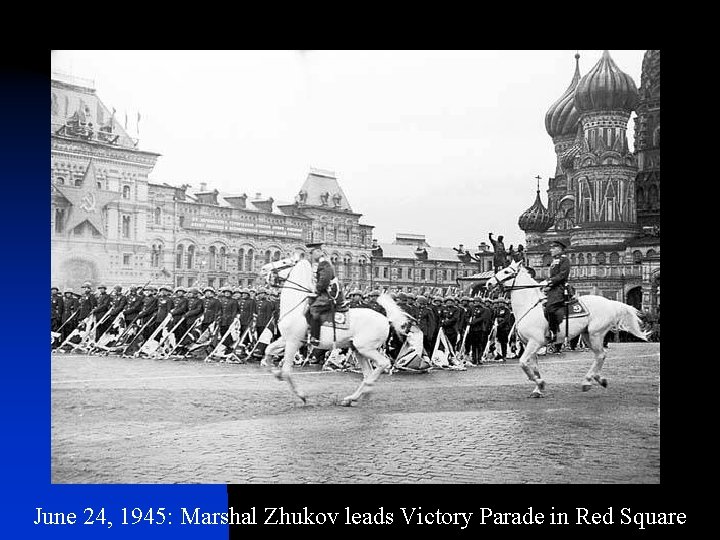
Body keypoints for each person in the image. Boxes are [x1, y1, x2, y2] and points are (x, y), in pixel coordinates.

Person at [307, 243, 345, 347]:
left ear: (319, 252)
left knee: (314, 309)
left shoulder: (324, 263)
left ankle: (315, 337)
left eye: (312, 252)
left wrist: (317, 290)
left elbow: (324, 280)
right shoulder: (320, 263)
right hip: (325, 292)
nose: (310, 255)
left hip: (330, 294)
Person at [539, 240, 571, 350]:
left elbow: (562, 275)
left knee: (550, 308)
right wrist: (546, 283)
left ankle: (554, 333)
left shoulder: (564, 259)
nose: (551, 250)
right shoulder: (554, 261)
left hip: (559, 288)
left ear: (559, 249)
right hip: (552, 288)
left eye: (553, 248)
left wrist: (550, 282)